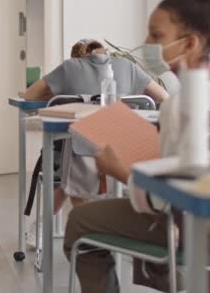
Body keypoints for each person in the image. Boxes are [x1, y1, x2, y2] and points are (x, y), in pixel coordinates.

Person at [64, 0, 210, 292]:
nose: (146, 42)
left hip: (189, 225)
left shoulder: (185, 105)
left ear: (189, 43)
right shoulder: (179, 100)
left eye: (156, 35)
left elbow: (180, 197)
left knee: (80, 222)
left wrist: (121, 171)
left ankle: (171, 276)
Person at [20, 39, 168, 248]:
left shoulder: (70, 67)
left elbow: (28, 95)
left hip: (82, 154)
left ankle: (48, 229)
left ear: (80, 57)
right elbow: (163, 97)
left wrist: (56, 94)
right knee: (70, 180)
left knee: (68, 178)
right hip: (125, 153)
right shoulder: (128, 66)